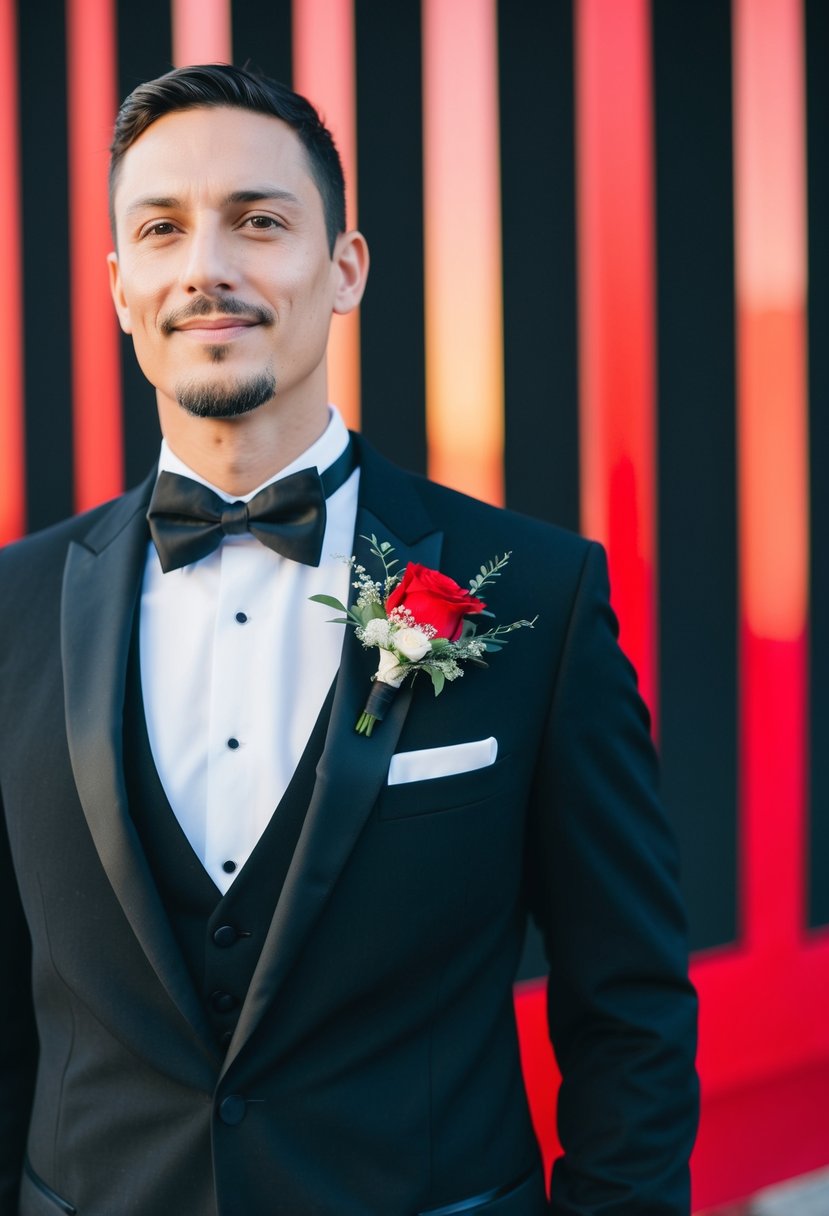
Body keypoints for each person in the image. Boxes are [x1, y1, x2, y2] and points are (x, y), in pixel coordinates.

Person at [0, 64, 697, 1216]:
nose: (207, 268)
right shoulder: (14, 609)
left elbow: (627, 1007)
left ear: (345, 269)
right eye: (163, 229)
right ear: (122, 289)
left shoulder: (537, 593)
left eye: (259, 222)